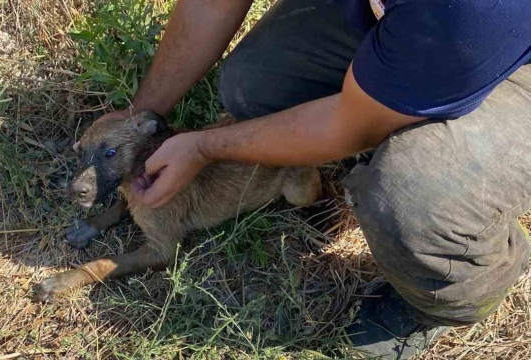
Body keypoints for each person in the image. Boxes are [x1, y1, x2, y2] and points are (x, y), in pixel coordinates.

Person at [96, 0, 531, 358]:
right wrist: (137, 121)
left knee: (409, 195)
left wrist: (204, 147)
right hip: (415, 21)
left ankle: (446, 295)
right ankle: (404, 96)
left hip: (500, 46)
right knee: (254, 85)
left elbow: (347, 127)